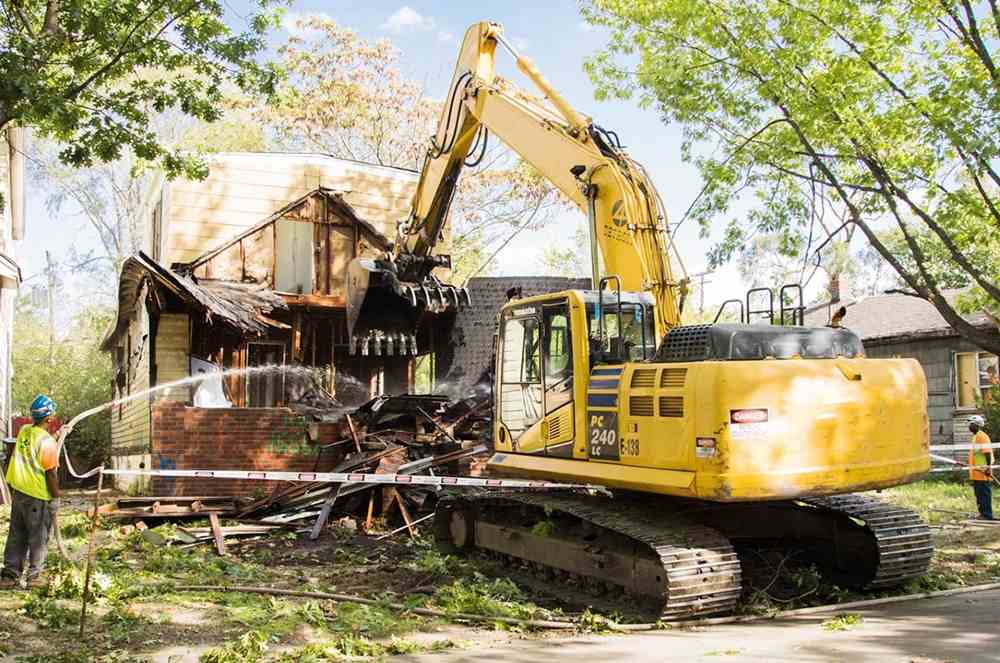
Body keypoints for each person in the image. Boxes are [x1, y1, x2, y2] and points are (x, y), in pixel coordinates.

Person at [1, 395, 60, 588]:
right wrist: (56, 498)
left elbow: (37, 441)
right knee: (38, 537)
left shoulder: (25, 431)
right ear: (49, 418)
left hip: (19, 493)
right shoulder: (48, 443)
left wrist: (57, 435)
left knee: (17, 535)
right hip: (38, 496)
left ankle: (10, 576)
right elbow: (50, 474)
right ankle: (35, 577)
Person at [968, 415, 995, 521]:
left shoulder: (982, 436)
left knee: (984, 494)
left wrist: (988, 468)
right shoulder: (975, 436)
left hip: (983, 472)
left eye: (971, 424)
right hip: (976, 472)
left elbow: (987, 453)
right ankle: (982, 513)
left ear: (977, 425)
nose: (969, 426)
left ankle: (987, 514)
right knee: (979, 494)